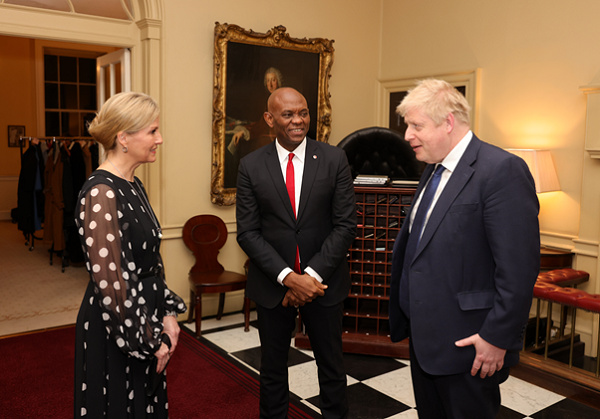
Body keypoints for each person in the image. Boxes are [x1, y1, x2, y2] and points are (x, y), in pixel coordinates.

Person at [389, 79, 540, 418]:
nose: (408, 136)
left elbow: (518, 270)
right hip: (426, 341)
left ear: (448, 122)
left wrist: (496, 338)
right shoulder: (432, 168)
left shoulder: (501, 170)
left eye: (416, 126)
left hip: (470, 345)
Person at [236, 87, 356, 419]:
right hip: (273, 286)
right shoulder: (250, 165)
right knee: (273, 368)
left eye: (302, 112)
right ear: (269, 118)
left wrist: (310, 278)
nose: (298, 120)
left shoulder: (334, 158)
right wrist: (289, 279)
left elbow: (345, 225)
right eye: (288, 114)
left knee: (331, 367)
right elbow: (248, 232)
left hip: (324, 283)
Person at [74, 92, 186, 418]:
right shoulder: (101, 192)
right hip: (118, 326)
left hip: (145, 316)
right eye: (152, 131)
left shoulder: (134, 184)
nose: (160, 139)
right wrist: (150, 341)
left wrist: (167, 312)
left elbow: (152, 261)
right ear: (123, 137)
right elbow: (112, 284)